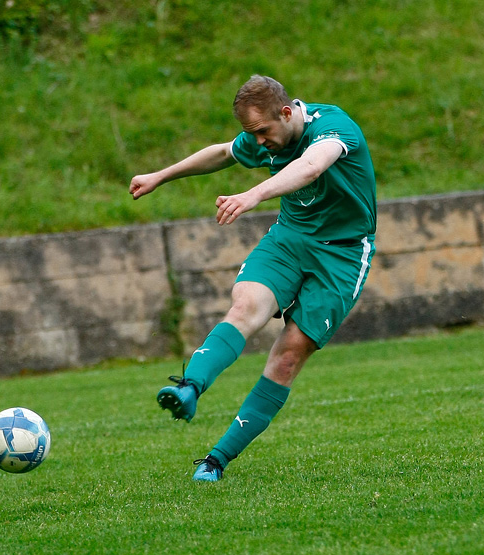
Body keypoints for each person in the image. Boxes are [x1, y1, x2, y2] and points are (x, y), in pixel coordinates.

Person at [129, 74, 376, 482]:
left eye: (262, 132)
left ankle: (216, 459)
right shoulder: (266, 135)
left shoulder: (334, 128)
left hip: (343, 254)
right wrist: (160, 175)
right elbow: (224, 153)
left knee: (289, 354)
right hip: (290, 240)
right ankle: (190, 387)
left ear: (286, 112)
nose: (258, 142)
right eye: (252, 133)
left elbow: (312, 167)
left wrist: (253, 195)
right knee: (245, 305)